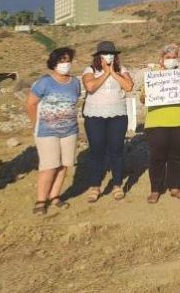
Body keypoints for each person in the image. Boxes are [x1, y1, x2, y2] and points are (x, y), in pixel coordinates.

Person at [26, 47, 81, 215]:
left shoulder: (75, 82)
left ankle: (55, 196)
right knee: (49, 166)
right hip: (46, 132)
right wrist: (37, 123)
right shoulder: (44, 82)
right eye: (62, 60)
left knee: (64, 165)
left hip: (70, 131)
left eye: (68, 60)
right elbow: (30, 104)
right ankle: (41, 200)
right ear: (54, 63)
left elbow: (74, 102)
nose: (66, 64)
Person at [81, 41, 134, 202]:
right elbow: (90, 87)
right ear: (99, 56)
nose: (109, 56)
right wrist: (105, 73)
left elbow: (128, 86)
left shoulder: (122, 70)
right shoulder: (90, 70)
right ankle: (95, 186)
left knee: (116, 150)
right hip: (95, 116)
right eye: (105, 53)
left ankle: (117, 184)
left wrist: (113, 72)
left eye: (111, 54)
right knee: (97, 151)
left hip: (117, 115)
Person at [141, 44, 180, 203]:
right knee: (157, 157)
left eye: (174, 57)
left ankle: (175, 187)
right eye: (168, 57)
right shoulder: (153, 75)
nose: (171, 60)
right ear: (161, 59)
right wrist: (147, 95)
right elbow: (143, 98)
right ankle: (155, 189)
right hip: (157, 122)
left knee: (176, 156)